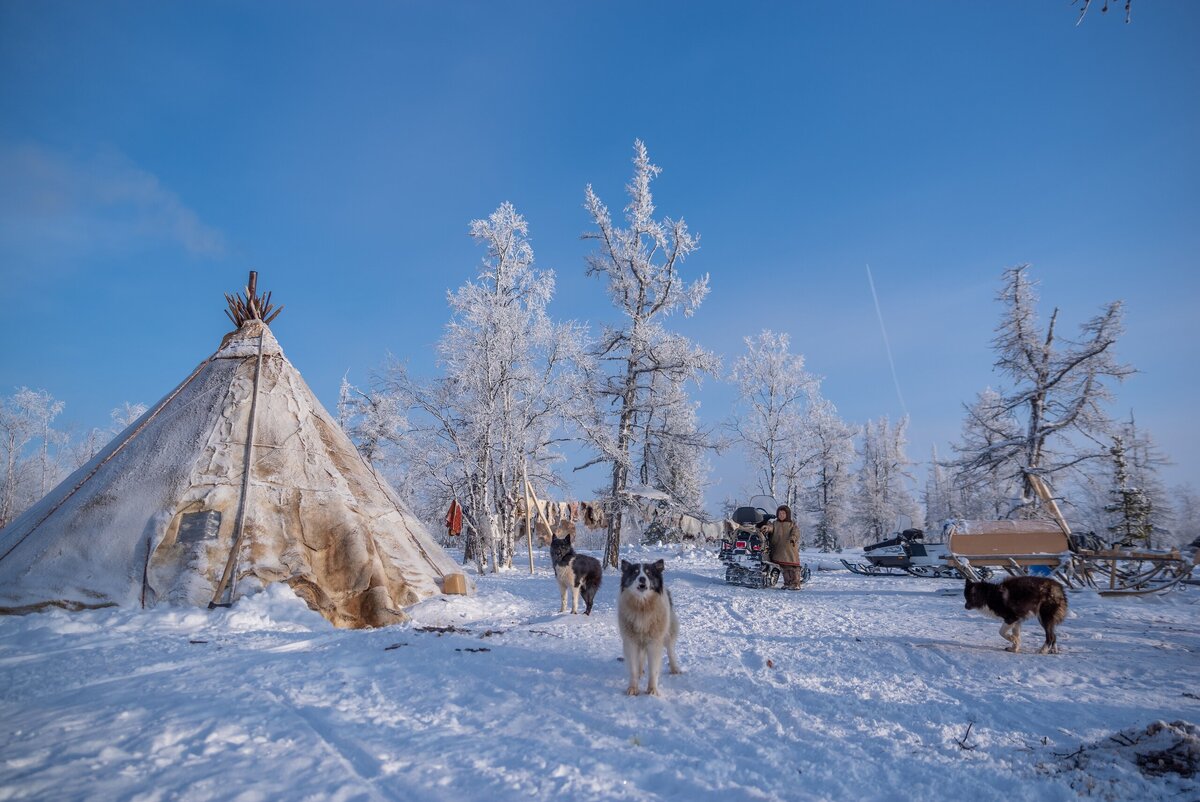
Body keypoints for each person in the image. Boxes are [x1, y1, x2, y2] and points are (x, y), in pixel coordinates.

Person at [762, 505, 803, 590]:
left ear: (787, 514)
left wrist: (793, 538)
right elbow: (771, 528)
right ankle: (787, 583)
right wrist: (767, 528)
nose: (781, 515)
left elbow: (796, 532)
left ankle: (795, 583)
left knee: (793, 568)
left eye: (783, 513)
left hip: (789, 549)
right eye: (779, 513)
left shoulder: (792, 524)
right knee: (784, 568)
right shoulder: (775, 524)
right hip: (778, 549)